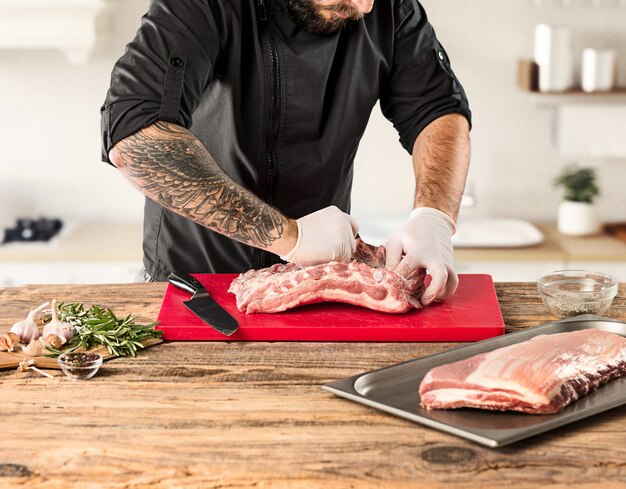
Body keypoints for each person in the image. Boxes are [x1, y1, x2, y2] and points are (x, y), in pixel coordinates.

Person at [101, 0, 471, 305]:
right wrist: (291, 237)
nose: (365, 6)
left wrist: (433, 217)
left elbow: (437, 110)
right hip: (196, 287)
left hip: (321, 282)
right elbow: (136, 138)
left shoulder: (390, 9)